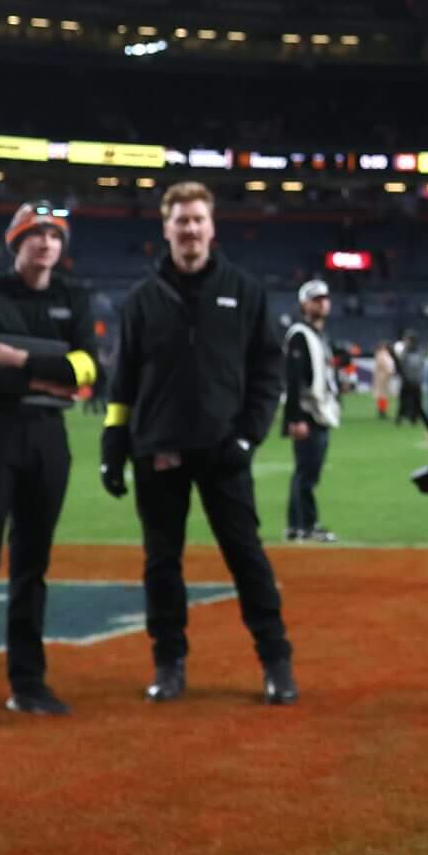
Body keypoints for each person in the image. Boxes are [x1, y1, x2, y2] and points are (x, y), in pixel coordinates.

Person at [99, 182, 297, 707]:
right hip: (157, 449)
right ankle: (169, 665)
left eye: (197, 220)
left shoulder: (245, 291)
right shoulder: (141, 300)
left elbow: (268, 370)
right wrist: (113, 446)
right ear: (165, 229)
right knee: (161, 563)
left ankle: (276, 662)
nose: (190, 229)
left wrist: (248, 436)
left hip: (223, 449)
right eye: (181, 221)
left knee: (246, 555)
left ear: (212, 227)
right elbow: (123, 382)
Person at [0, 203, 97, 729]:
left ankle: (28, 684)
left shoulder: (73, 296)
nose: (46, 243)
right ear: (16, 241)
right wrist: (47, 378)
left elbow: (88, 368)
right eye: (36, 234)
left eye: (55, 235)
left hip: (48, 438)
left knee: (33, 567)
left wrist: (22, 362)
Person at [282, 279, 342, 542]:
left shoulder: (317, 335)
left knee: (305, 472)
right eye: (316, 299)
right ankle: (306, 525)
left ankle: (296, 525)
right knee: (307, 473)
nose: (323, 303)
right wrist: (295, 418)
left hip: (319, 411)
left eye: (325, 298)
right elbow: (293, 380)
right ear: (304, 304)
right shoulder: (300, 334)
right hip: (309, 412)